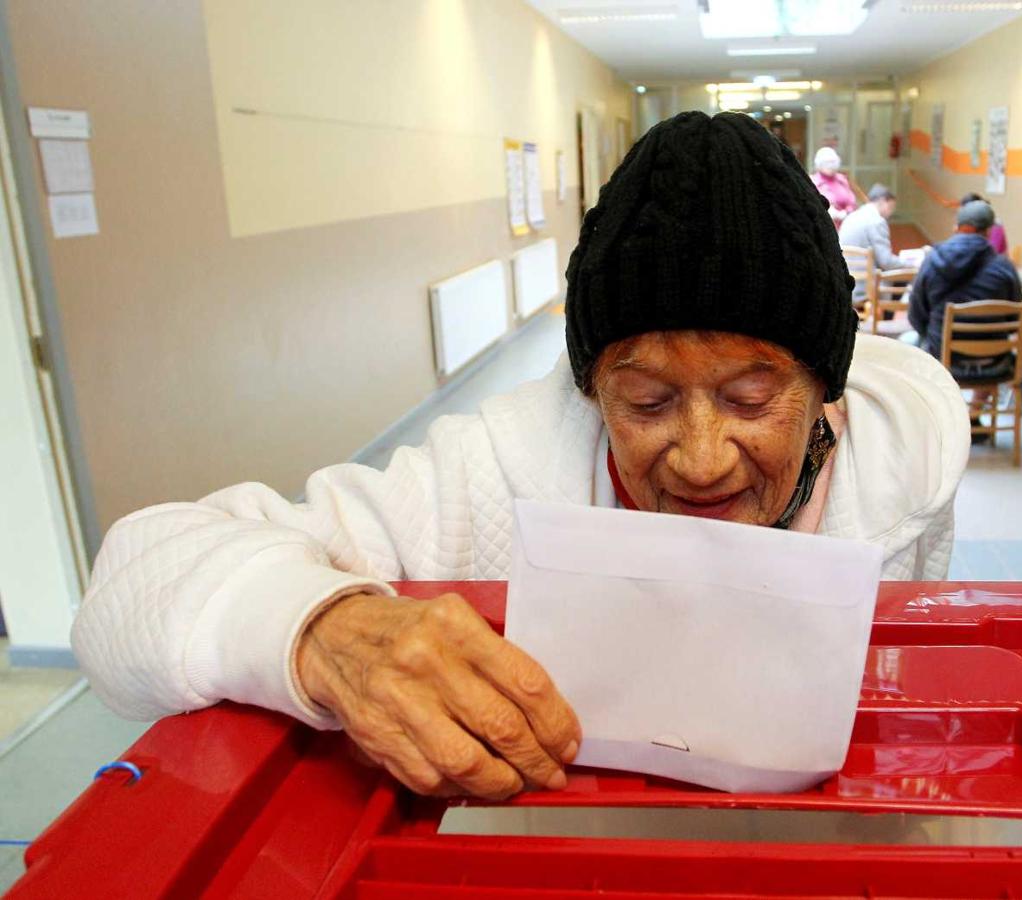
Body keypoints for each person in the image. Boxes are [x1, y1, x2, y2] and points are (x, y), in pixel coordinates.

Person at [72, 112, 970, 802]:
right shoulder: (489, 474)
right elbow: (131, 588)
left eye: (749, 398)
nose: (701, 461)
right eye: (648, 400)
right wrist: (324, 632)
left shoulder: (903, 478)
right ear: (590, 390)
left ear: (825, 392)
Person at [907, 200, 1022, 441]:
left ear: (956, 227)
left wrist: (931, 336)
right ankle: (973, 414)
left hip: (944, 360)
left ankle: (934, 419)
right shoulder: (1004, 267)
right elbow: (1014, 316)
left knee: (909, 341)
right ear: (989, 231)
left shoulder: (932, 261)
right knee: (992, 341)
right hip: (994, 363)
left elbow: (916, 315)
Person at [838, 183, 905, 270]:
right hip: (867, 280)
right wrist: (912, 264)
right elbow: (886, 262)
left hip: (845, 277)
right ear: (882, 201)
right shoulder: (877, 221)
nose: (891, 213)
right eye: (891, 207)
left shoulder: (851, 217)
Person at [810, 146, 856, 229]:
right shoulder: (813, 182)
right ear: (818, 164)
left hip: (845, 226)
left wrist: (845, 213)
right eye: (826, 162)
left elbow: (852, 202)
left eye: (833, 162)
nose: (830, 165)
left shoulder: (842, 180)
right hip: (824, 228)